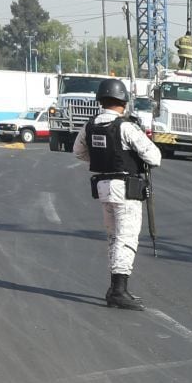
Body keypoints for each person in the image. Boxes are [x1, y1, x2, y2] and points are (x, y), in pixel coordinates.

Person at [72, 77, 161, 310]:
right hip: (125, 188)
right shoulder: (126, 127)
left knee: (113, 237)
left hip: (103, 186)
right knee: (126, 237)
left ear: (101, 100)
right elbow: (154, 157)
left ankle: (114, 288)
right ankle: (119, 291)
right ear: (123, 101)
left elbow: (78, 152)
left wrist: (103, 160)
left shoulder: (90, 125)